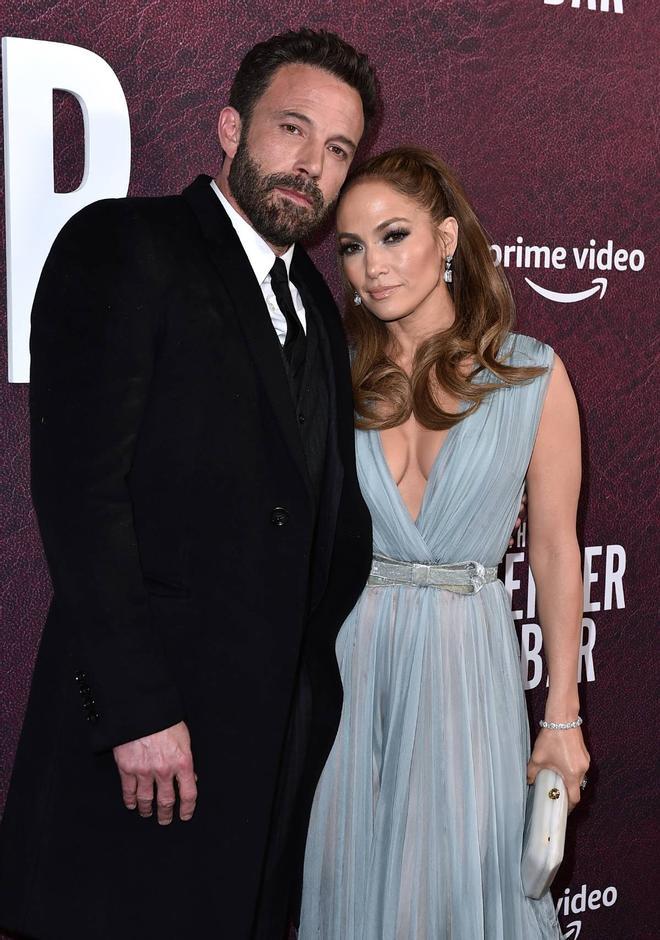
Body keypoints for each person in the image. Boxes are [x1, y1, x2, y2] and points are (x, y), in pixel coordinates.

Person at [0, 29, 377, 940]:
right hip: (147, 743)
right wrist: (135, 710)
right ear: (229, 125)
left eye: (336, 150)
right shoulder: (127, 245)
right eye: (292, 129)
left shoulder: (318, 307)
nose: (310, 168)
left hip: (264, 755)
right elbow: (82, 495)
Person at [299, 147, 591, 939]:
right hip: (351, 658)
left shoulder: (530, 376)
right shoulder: (333, 373)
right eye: (352, 247)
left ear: (448, 237)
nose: (371, 268)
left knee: (459, 883)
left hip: (466, 657)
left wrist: (561, 715)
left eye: (393, 236)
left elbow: (557, 549)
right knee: (346, 873)